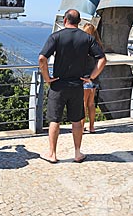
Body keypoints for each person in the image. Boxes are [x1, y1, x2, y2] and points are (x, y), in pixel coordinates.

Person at [38, 9, 106, 164]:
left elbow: (42, 59)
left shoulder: (56, 37)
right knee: (77, 120)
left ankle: (53, 154)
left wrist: (48, 78)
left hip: (58, 85)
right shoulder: (87, 38)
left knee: (55, 119)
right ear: (79, 21)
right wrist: (91, 77)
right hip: (77, 85)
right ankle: (77, 153)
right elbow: (102, 59)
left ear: (65, 20)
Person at [81, 23, 104, 133]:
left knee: (83, 103)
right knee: (91, 103)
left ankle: (80, 127)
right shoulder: (98, 45)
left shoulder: (84, 46)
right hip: (94, 78)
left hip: (85, 78)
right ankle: (91, 126)